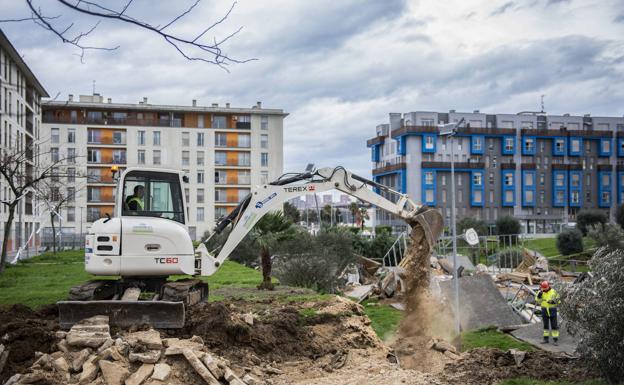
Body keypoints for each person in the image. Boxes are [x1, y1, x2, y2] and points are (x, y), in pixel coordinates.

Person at [535, 280, 561, 345]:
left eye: (545, 288)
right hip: (544, 310)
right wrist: (539, 296)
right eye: (543, 288)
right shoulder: (540, 292)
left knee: (554, 325)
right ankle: (545, 339)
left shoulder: (554, 291)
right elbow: (538, 301)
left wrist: (554, 302)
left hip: (552, 310)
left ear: (548, 286)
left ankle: (555, 340)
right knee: (545, 326)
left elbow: (559, 300)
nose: (544, 289)